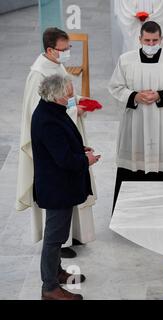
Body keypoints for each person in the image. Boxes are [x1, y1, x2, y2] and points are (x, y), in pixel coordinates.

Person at [16, 27, 97, 259]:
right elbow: (41, 117)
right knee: (58, 198)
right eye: (64, 49)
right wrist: (74, 109)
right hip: (52, 155)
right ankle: (57, 247)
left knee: (71, 185)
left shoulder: (55, 64)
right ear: (50, 50)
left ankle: (71, 236)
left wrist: (78, 102)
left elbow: (62, 97)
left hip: (65, 137)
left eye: (69, 47)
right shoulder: (38, 74)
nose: (67, 52)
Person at [31, 74, 101, 300]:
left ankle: (56, 271)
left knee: (59, 235)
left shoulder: (52, 111)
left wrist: (79, 149)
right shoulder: (48, 120)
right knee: (53, 239)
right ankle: (49, 288)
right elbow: (63, 159)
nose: (71, 97)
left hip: (61, 186)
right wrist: (85, 160)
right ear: (56, 96)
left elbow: (63, 144)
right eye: (68, 95)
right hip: (56, 188)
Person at [108, 21, 163, 211]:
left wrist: (160, 95)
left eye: (155, 40)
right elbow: (115, 87)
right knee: (134, 163)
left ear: (161, 39)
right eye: (147, 40)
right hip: (136, 122)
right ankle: (128, 212)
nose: (151, 44)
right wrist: (134, 95)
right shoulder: (126, 60)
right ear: (140, 39)